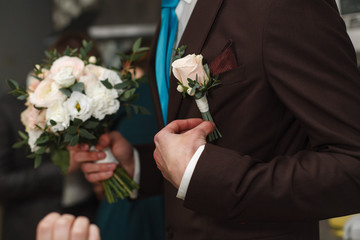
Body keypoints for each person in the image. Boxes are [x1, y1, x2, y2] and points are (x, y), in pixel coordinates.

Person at [72, 0, 360, 239]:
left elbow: (353, 164)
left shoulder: (281, 6)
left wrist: (208, 177)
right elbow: (219, 143)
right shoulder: (171, 14)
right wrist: (140, 164)